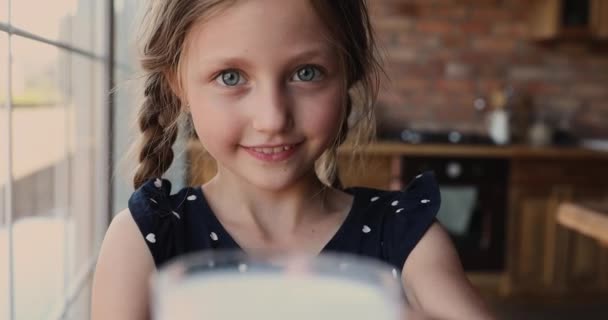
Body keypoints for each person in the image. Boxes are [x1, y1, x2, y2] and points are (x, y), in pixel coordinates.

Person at [91, 0, 495, 319]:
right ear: (178, 85)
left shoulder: (406, 236)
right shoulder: (144, 240)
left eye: (306, 73)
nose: (272, 119)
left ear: (348, 74)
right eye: (231, 77)